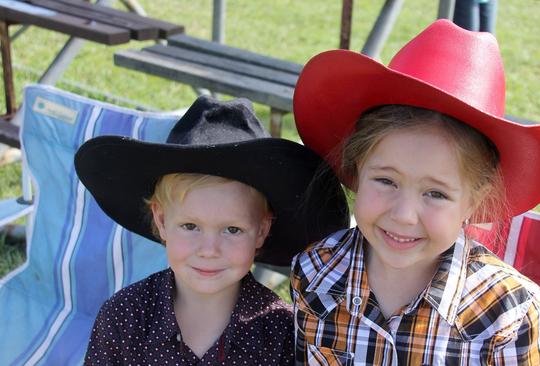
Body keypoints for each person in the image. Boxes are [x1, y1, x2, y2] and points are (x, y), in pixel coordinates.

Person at [290, 19, 540, 365]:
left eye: (435, 194)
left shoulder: (512, 319)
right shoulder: (315, 273)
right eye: (386, 181)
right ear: (357, 168)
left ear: (474, 200)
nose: (404, 215)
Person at [75, 97, 349, 365]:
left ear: (262, 230)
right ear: (161, 221)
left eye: (232, 229)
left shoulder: (282, 334)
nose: (209, 250)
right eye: (190, 226)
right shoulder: (125, 316)